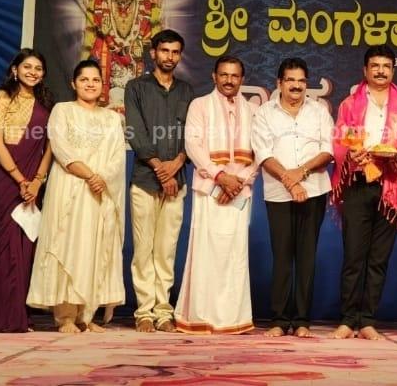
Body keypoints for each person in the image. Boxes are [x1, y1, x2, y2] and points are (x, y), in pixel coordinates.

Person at [330, 45, 397, 340]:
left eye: (386, 66)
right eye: (375, 66)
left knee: (378, 258)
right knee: (354, 256)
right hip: (358, 184)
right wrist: (352, 155)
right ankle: (348, 320)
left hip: (391, 187)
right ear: (365, 70)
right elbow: (341, 139)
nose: (381, 71)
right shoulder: (351, 104)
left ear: (393, 71)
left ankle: (367, 320)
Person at [27, 59, 125, 333]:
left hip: (100, 192)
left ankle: (86, 315)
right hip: (70, 188)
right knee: (69, 245)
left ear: (102, 85)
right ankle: (66, 317)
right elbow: (61, 148)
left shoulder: (112, 118)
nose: (90, 84)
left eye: (95, 80)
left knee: (94, 248)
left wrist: (101, 178)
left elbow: (117, 156)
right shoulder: (63, 111)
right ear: (74, 83)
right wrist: (90, 176)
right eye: (84, 80)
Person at [251, 57, 334, 338]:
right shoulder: (264, 113)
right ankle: (279, 319)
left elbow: (328, 150)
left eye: (301, 81)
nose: (296, 86)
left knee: (307, 258)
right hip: (278, 194)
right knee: (283, 257)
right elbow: (263, 154)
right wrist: (290, 180)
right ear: (279, 83)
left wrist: (301, 172)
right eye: (290, 80)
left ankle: (301, 321)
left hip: (315, 191)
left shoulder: (319, 111)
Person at [175, 56, 258, 334]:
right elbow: (193, 145)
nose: (229, 80)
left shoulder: (253, 110)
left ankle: (233, 319)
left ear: (242, 79)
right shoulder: (200, 105)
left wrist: (238, 182)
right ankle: (202, 317)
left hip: (240, 192)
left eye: (234, 76)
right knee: (206, 254)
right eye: (224, 74)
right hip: (209, 189)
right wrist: (221, 178)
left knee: (235, 256)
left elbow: (260, 152)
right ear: (214, 76)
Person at [0, 49, 54, 333]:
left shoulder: (46, 102)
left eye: (38, 68)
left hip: (33, 180)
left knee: (24, 245)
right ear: (15, 70)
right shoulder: (2, 97)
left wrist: (37, 181)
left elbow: (50, 147)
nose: (33, 72)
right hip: (5, 178)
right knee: (1, 244)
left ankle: (16, 314)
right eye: (27, 67)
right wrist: (21, 179)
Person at [125, 29, 194, 333]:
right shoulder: (136, 88)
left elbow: (192, 135)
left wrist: (176, 165)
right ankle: (143, 311)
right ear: (153, 53)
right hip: (144, 179)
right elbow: (135, 131)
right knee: (143, 249)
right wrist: (160, 168)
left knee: (166, 250)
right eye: (164, 50)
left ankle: (163, 311)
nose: (170, 57)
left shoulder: (187, 91)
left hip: (177, 181)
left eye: (175, 52)